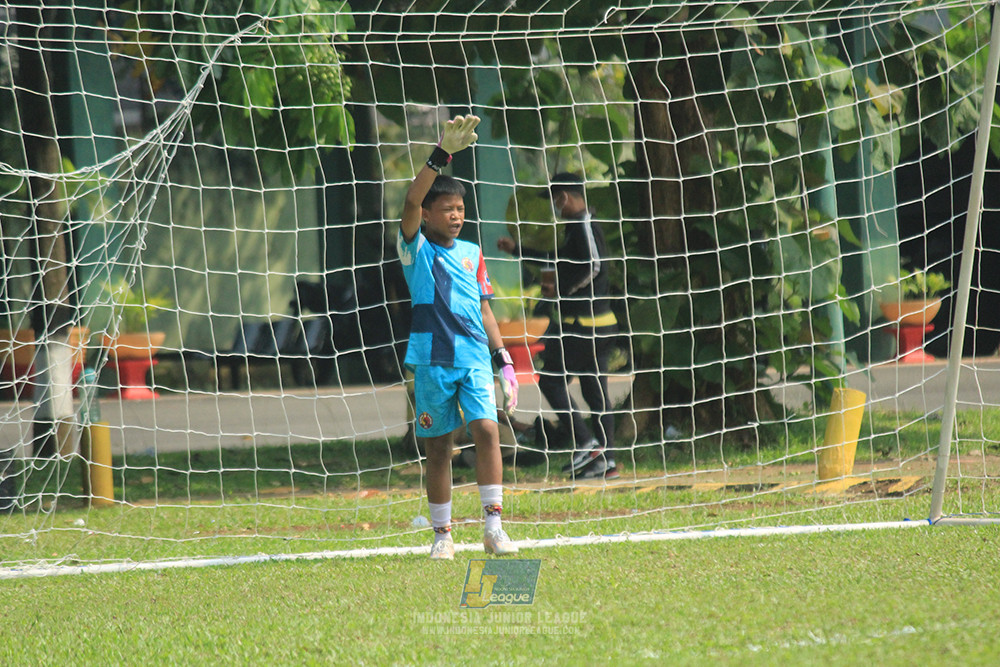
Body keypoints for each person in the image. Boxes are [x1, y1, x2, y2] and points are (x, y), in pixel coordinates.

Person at [397, 114, 520, 560]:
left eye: (460, 210)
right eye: (447, 209)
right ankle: (442, 535)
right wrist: (440, 155)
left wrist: (503, 358)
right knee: (439, 448)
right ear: (428, 215)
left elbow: (484, 308)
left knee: (488, 429)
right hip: (432, 359)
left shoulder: (472, 253)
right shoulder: (416, 247)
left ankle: (493, 527)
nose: (455, 216)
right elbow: (411, 199)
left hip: (472, 358)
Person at [497, 172, 619, 480]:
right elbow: (558, 260)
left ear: (564, 197)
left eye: (554, 199)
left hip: (584, 325)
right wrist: (518, 251)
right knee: (595, 392)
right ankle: (606, 459)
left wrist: (564, 289)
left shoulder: (584, 224)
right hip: (594, 326)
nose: (553, 205)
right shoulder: (573, 228)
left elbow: (594, 266)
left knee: (551, 380)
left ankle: (587, 444)